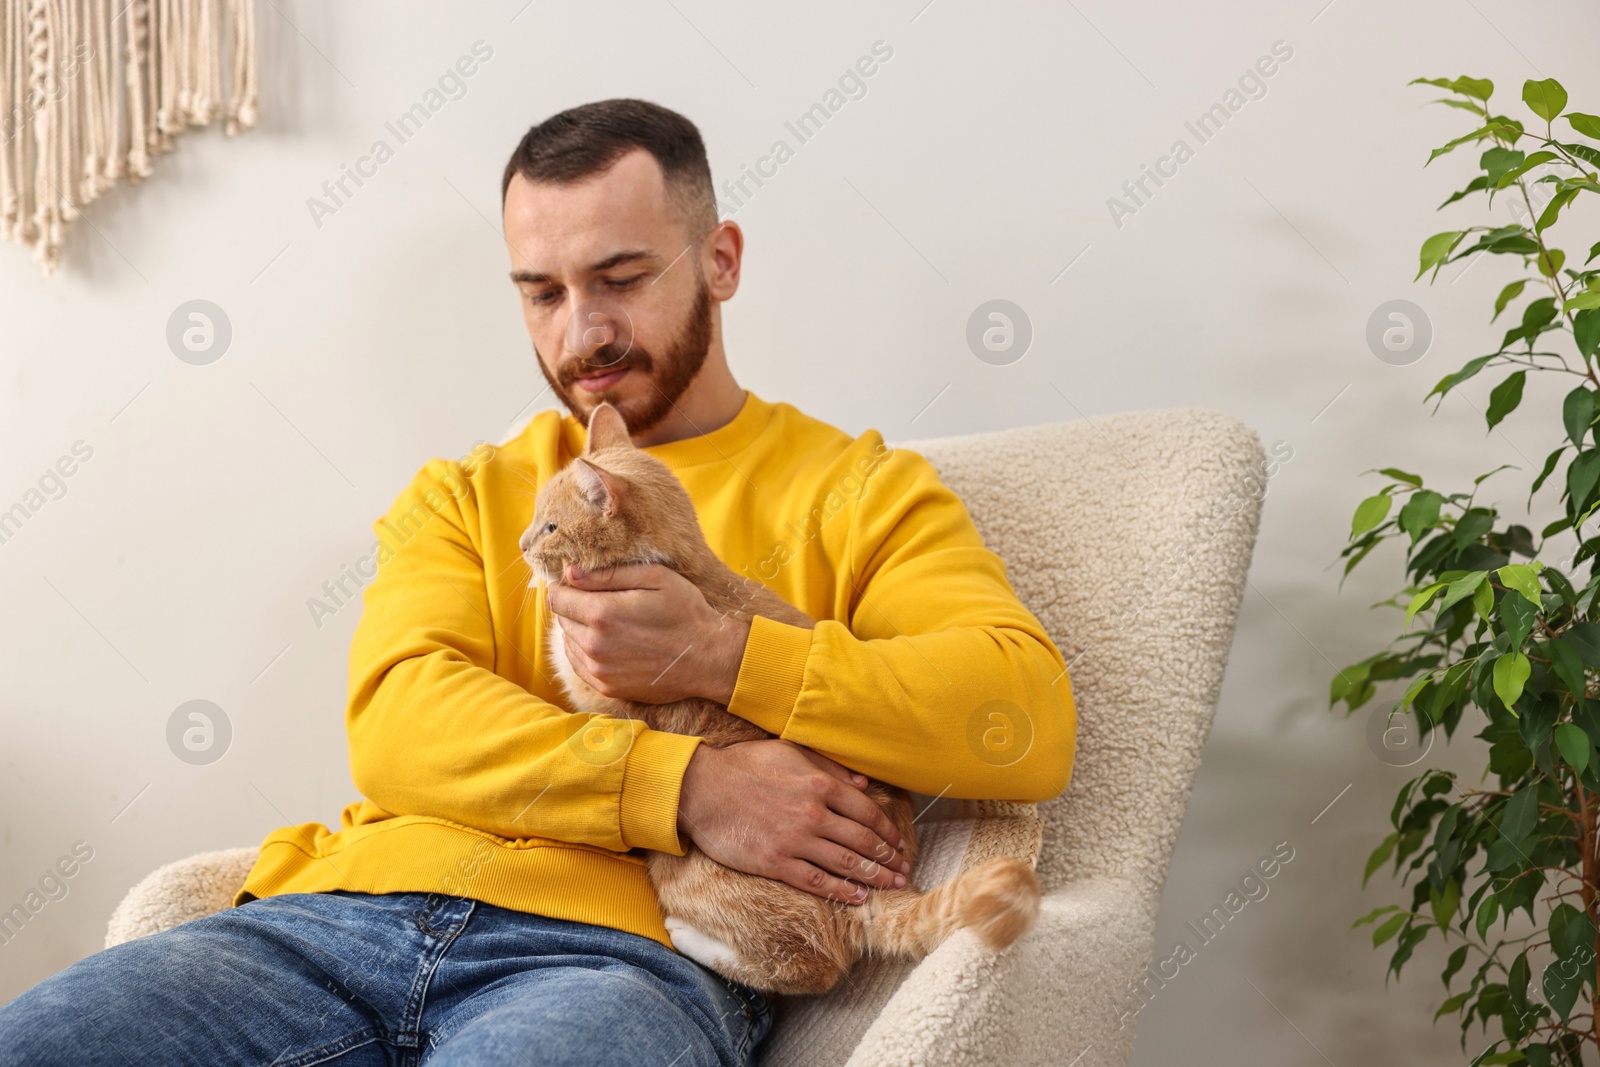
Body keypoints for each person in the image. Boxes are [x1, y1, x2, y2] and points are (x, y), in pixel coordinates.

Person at [0, 98, 1076, 1067]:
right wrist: (682, 787)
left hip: (619, 958)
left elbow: (1019, 714)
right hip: (336, 919)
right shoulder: (466, 494)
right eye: (542, 292)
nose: (582, 333)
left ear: (721, 260)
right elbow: (401, 720)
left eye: (619, 278)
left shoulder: (857, 487)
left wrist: (724, 652)